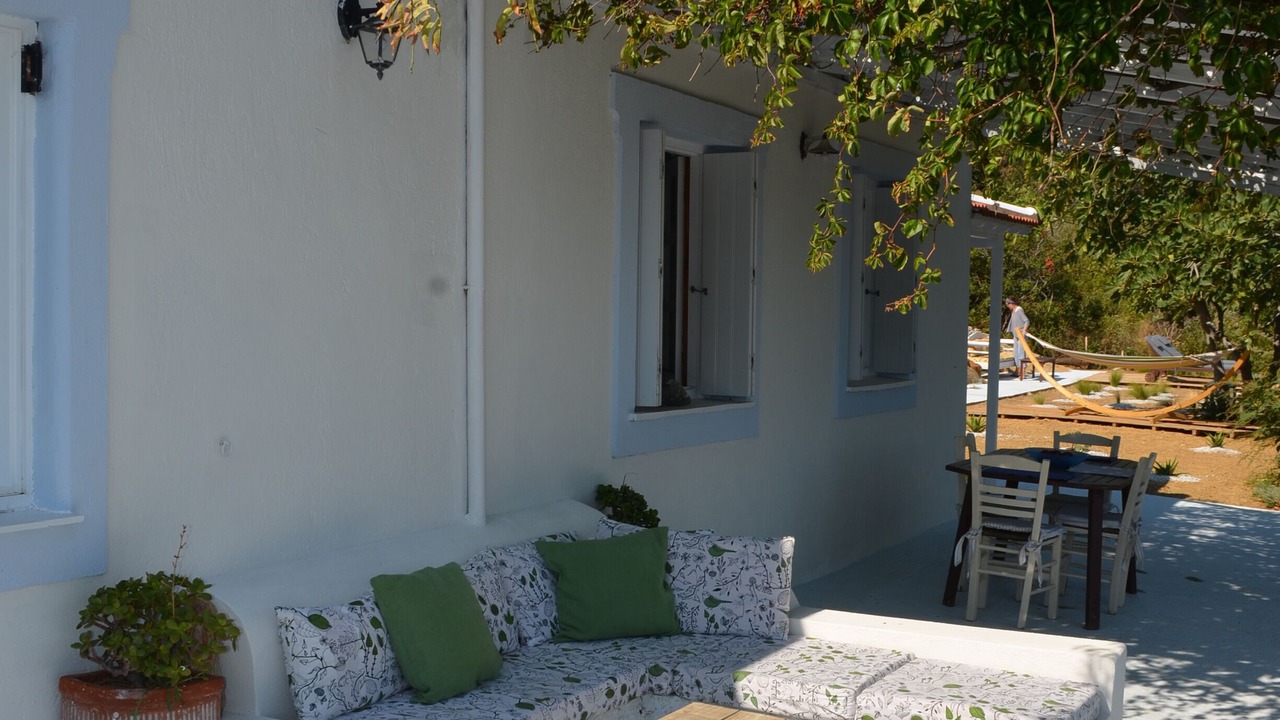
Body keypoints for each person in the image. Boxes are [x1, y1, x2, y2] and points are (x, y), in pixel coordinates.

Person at [1005, 297, 1030, 380]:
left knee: (1021, 353)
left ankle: (1023, 371)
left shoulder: (1019, 310)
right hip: (1015, 335)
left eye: (1008, 304)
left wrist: (1024, 331)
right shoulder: (1013, 311)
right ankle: (1017, 370)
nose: (1007, 305)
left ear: (1012, 303)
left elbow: (1026, 321)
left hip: (1021, 335)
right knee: (1016, 353)